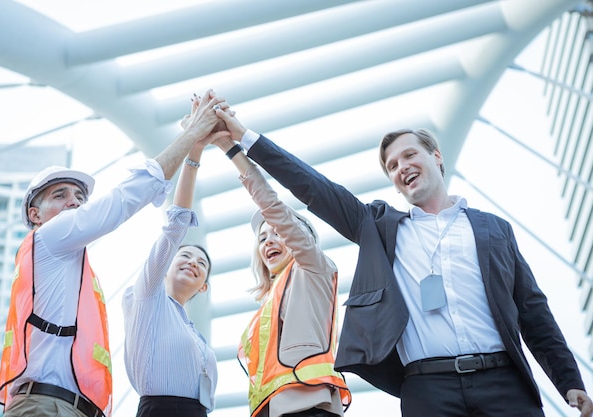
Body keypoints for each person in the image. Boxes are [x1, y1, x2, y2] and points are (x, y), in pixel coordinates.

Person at [214, 107, 593, 417]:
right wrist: (245, 139)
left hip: (504, 384)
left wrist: (569, 380)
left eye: (409, 155)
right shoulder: (379, 227)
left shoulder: (494, 230)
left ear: (436, 157)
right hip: (428, 390)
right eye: (392, 166)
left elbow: (532, 309)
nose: (401, 167)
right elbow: (314, 186)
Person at [0, 90, 228, 417]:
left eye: (79, 196)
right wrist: (191, 137)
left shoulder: (73, 268)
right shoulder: (50, 235)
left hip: (72, 407)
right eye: (60, 195)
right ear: (35, 215)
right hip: (46, 405)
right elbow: (125, 200)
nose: (74, 202)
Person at [211, 136, 351, 417]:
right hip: (271, 409)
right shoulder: (268, 305)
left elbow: (274, 209)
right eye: (262, 238)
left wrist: (232, 151)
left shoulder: (313, 268)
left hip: (309, 405)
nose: (269, 241)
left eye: (278, 233)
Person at [121, 96, 225, 417]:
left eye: (202, 264)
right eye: (185, 256)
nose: (193, 262)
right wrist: (193, 152)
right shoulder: (147, 296)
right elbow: (175, 226)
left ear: (204, 287)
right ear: (165, 269)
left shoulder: (195, 333)